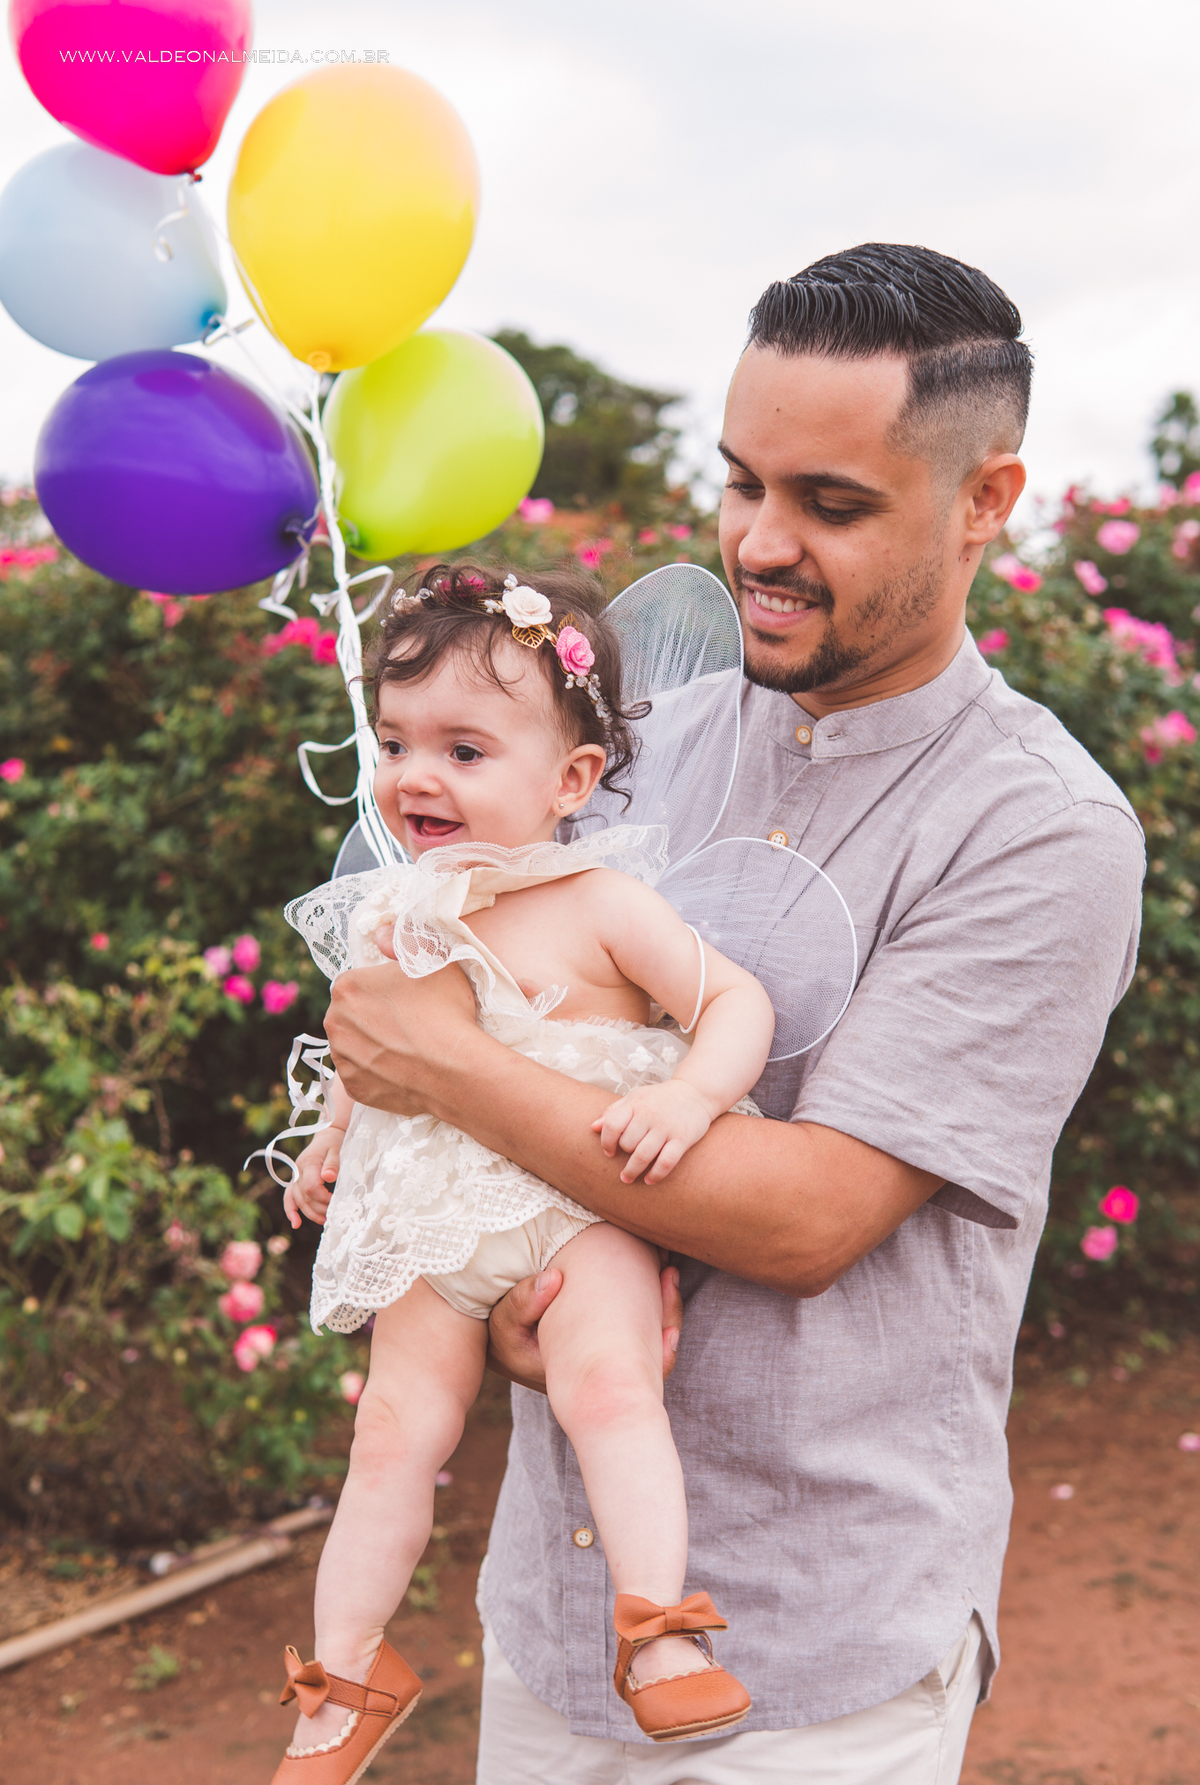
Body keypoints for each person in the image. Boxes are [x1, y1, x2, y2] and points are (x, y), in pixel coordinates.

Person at [300, 244, 1146, 1784]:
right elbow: (468, 1050)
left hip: (819, 1648)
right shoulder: (633, 743)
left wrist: (447, 1068)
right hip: (553, 1615)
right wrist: (473, 1257)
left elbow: (809, 1216)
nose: (759, 541)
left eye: (830, 504)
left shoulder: (1038, 832)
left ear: (985, 501)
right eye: (741, 481)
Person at [269, 569, 774, 1784]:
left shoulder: (601, 903)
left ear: (571, 781)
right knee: (390, 1431)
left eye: (463, 747)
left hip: (573, 1209)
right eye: (394, 743)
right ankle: (344, 1679)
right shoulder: (396, 911)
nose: (413, 775)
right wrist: (331, 1139)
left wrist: (691, 1096)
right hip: (434, 1223)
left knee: (608, 1387)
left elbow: (736, 1003)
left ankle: (655, 1627)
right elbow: (369, 1046)